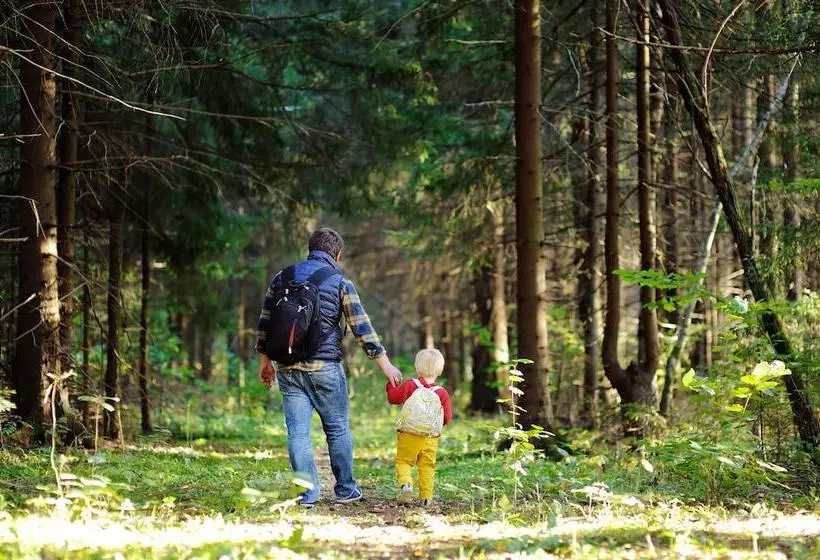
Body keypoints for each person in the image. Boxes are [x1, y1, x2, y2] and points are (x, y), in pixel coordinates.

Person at [255, 227, 403, 507]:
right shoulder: (340, 282)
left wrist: (266, 362)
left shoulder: (281, 278)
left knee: (297, 432)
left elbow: (265, 323)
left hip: (287, 368)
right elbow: (362, 328)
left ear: (310, 249)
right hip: (325, 368)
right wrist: (385, 364)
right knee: (337, 429)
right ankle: (346, 489)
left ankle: (306, 494)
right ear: (338, 254)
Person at [386, 348, 452, 506]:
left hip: (408, 434)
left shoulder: (410, 385)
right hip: (430, 438)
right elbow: (447, 418)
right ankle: (426, 498)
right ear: (440, 370)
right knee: (427, 466)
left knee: (403, 461)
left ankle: (406, 484)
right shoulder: (442, 393)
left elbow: (393, 398)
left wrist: (390, 385)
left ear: (417, 368)